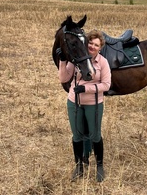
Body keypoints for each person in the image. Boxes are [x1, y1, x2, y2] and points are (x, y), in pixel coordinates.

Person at [56, 29, 111, 182]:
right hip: (74, 103)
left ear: (100, 48)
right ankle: (79, 166)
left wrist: (86, 88)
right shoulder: (77, 59)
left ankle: (99, 166)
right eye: (90, 43)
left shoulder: (103, 63)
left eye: (96, 45)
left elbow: (106, 85)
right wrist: (62, 61)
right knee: (77, 135)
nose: (92, 47)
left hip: (94, 104)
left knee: (95, 135)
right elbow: (63, 78)